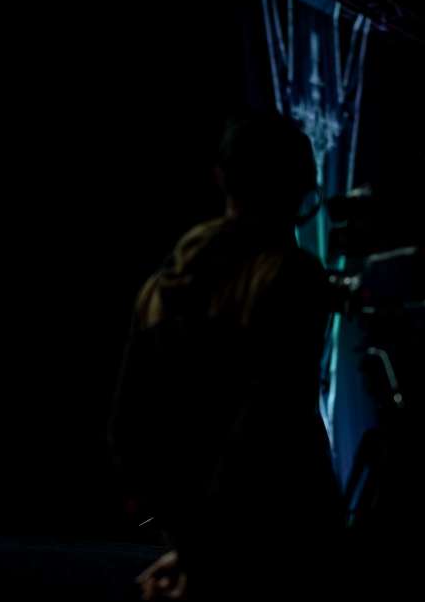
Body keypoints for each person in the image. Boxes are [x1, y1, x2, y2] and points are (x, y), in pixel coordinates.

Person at [109, 114, 342, 600]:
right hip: (282, 549)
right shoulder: (294, 276)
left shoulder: (164, 285)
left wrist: (191, 547)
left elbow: (128, 426)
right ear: (303, 185)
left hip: (199, 546)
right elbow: (270, 424)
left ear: (222, 177)